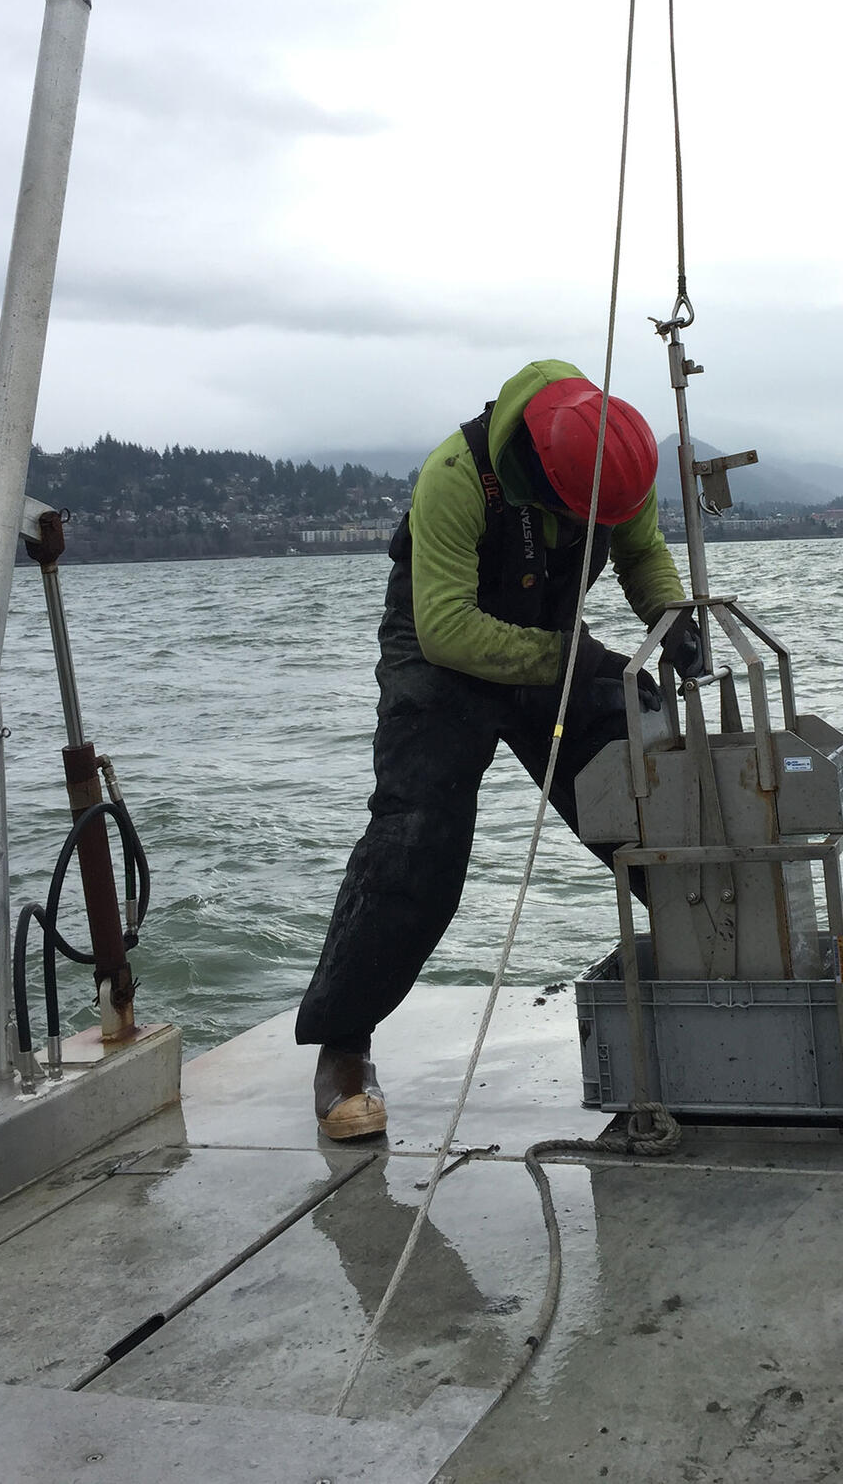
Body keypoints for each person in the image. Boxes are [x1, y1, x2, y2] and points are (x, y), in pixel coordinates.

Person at [295, 359, 700, 1139]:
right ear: (540, 477)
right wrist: (572, 660)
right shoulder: (454, 476)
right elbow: (446, 627)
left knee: (649, 791)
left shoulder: (620, 460)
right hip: (439, 653)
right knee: (417, 839)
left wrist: (670, 618)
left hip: (551, 646)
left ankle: (725, 977)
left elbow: (642, 553)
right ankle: (342, 1043)